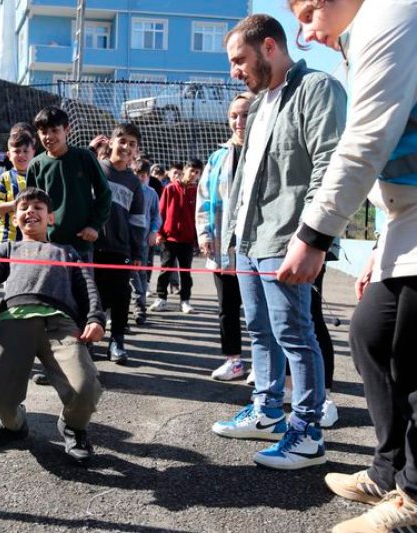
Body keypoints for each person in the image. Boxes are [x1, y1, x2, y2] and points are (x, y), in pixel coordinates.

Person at [280, 0, 417, 529]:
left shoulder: (391, 15)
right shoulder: (365, 35)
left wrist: (314, 235)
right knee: (370, 334)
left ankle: (415, 499)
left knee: (414, 357)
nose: (306, 32)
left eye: (309, 12)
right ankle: (389, 470)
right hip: (407, 217)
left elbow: (364, 142)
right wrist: (382, 249)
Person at [210, 13, 346, 470]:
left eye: (239, 60)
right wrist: (232, 238)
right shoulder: (258, 103)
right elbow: (247, 180)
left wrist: (312, 238)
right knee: (259, 330)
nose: (234, 70)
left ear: (269, 47)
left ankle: (306, 430)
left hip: (287, 238)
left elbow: (330, 167)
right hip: (249, 239)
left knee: (296, 333)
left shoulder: (317, 90)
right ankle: (267, 409)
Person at [0, 187, 105, 465]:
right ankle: (13, 426)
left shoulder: (67, 251)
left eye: (38, 207)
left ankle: (73, 428)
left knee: (85, 387)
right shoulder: (7, 248)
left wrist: (95, 318)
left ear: (50, 218)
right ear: (15, 218)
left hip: (61, 323)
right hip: (15, 321)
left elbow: (88, 287)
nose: (30, 211)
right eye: (23, 208)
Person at [195, 92, 254, 381]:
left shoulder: (265, 150)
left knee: (260, 310)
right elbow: (204, 199)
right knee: (227, 308)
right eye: (234, 115)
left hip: (257, 247)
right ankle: (234, 360)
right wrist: (205, 233)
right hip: (223, 246)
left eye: (245, 114)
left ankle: (264, 363)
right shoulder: (218, 157)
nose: (239, 121)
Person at [25, 105, 112, 262]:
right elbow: (30, 204)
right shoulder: (35, 165)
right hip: (48, 246)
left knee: (83, 286)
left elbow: (104, 193)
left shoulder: (85, 157)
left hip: (81, 244)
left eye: (55, 130)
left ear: (67, 130)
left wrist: (95, 225)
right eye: (43, 132)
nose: (49, 136)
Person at [94, 123, 146, 364]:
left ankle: (117, 341)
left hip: (120, 248)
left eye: (132, 144)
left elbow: (137, 221)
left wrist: (137, 251)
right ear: (111, 142)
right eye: (122, 141)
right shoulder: (96, 169)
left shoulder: (135, 183)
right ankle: (84, 340)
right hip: (92, 245)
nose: (126, 147)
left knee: (121, 294)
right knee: (90, 293)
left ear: (136, 150)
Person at [151, 158, 202, 314]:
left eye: (197, 172)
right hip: (169, 237)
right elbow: (161, 212)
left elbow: (199, 216)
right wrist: (159, 232)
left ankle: (185, 301)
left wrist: (197, 239)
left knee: (185, 272)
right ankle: (161, 298)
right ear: (185, 169)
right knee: (165, 269)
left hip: (187, 239)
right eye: (192, 170)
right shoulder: (170, 189)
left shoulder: (198, 192)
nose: (194, 175)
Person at [0, 130, 35, 244]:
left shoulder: (39, 177)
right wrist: (15, 205)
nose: (21, 155)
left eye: (25, 151)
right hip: (8, 240)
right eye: (17, 151)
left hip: (36, 240)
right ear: (9, 155)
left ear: (33, 153)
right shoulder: (3, 179)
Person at [130, 160, 161, 326]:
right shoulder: (128, 190)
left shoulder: (151, 193)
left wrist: (154, 231)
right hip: (125, 240)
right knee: (127, 276)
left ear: (148, 176)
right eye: (137, 175)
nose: (140, 178)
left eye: (143, 175)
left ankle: (140, 307)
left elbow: (156, 215)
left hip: (142, 242)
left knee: (140, 274)